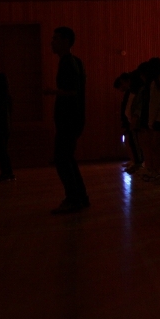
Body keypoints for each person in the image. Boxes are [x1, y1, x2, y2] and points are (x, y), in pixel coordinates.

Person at [45, 26, 89, 214]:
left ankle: (73, 199)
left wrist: (53, 92)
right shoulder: (76, 61)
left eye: (55, 38)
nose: (52, 42)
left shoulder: (67, 63)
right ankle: (81, 197)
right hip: (75, 118)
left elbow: (72, 91)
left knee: (62, 159)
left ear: (65, 41)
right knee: (67, 158)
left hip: (68, 119)